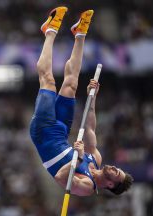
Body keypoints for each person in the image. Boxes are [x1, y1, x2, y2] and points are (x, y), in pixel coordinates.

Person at [29, 6, 133, 196]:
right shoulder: (95, 159)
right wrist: (92, 97)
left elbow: (61, 178)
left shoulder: (87, 186)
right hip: (61, 131)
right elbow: (90, 127)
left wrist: (75, 161)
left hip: (43, 134)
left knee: (48, 81)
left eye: (116, 173)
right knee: (71, 85)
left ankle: (49, 31)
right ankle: (80, 34)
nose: (114, 167)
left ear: (110, 185)